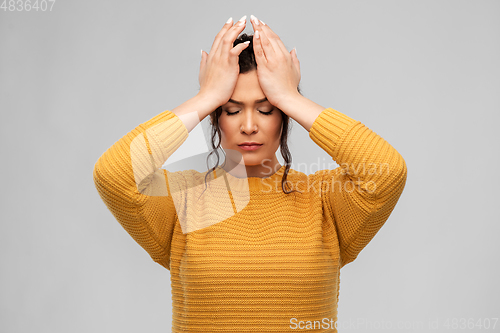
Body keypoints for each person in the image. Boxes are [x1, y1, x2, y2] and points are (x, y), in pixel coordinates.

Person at [93, 14, 408, 333]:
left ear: (284, 118)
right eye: (231, 109)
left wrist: (290, 97)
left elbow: (387, 172)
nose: (248, 125)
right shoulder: (184, 200)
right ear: (215, 119)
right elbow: (113, 175)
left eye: (266, 109)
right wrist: (205, 98)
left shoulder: (323, 199)